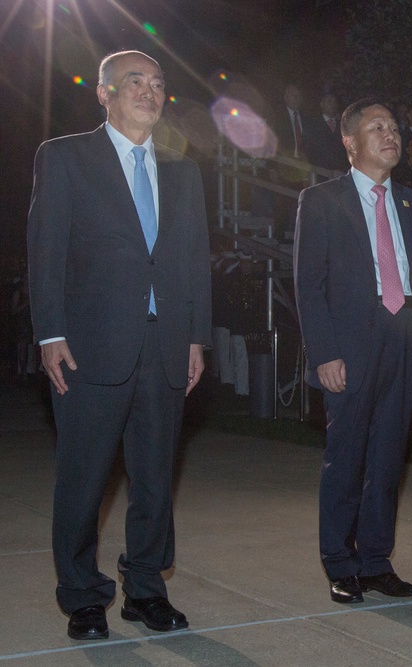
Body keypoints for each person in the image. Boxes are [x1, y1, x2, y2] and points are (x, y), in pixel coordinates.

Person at [27, 50, 211, 640]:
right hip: (90, 348)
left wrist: (196, 338)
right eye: (136, 81)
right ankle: (83, 596)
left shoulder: (183, 171)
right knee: (84, 479)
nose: (149, 91)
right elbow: (46, 250)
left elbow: (194, 263)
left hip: (165, 348)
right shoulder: (65, 157)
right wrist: (49, 333)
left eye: (159, 83)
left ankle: (146, 590)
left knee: (155, 480)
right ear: (104, 93)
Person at [294, 99, 412, 605]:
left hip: (404, 339)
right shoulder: (321, 200)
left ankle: (377, 561)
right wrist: (324, 353)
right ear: (349, 141)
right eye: (376, 127)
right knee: (346, 457)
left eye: (394, 126)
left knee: (388, 456)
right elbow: (308, 285)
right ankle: (340, 562)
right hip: (350, 344)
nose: (391, 135)